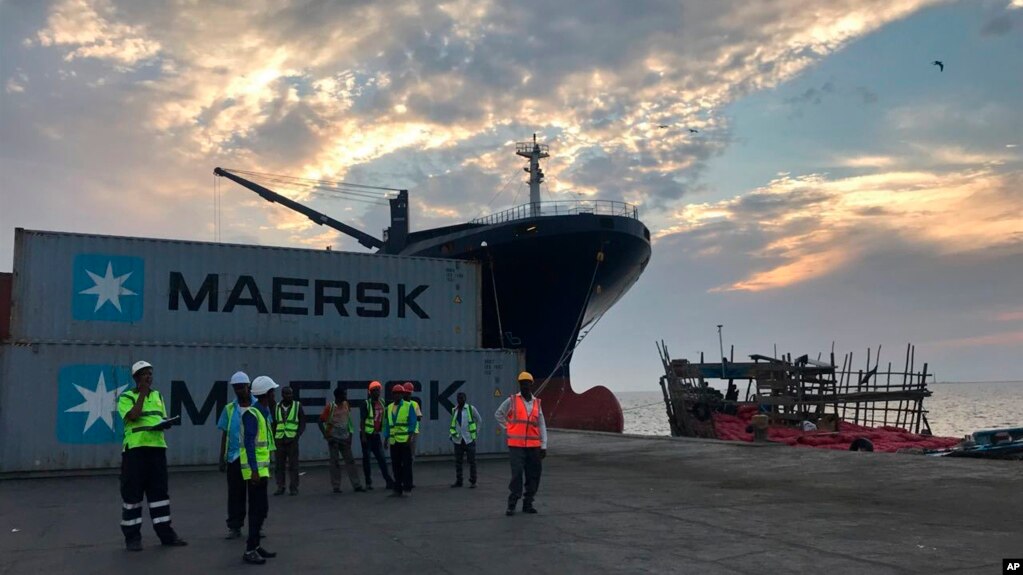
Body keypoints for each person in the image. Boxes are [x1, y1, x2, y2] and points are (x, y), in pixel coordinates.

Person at [116, 360, 187, 551]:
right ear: (136, 378)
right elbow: (133, 416)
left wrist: (166, 423)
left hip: (157, 449)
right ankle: (132, 538)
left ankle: (166, 535)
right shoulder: (126, 397)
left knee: (160, 495)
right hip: (135, 452)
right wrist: (142, 394)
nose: (148, 377)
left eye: (150, 373)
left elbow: (160, 418)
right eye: (144, 374)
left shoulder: (158, 396)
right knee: (133, 495)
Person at [239, 375, 279, 564]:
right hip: (255, 472)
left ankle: (255, 546)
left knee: (262, 509)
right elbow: (249, 443)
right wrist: (254, 470)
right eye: (273, 392)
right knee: (256, 510)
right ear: (267, 394)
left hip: (262, 470)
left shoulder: (262, 412)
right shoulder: (252, 414)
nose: (275, 395)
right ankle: (249, 550)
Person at [495, 371, 547, 516]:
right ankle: (512, 504)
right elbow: (498, 414)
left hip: (534, 447)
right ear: (519, 385)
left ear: (531, 384)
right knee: (517, 474)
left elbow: (541, 424)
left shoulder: (537, 403)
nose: (524, 386)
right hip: (516, 446)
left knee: (534, 475)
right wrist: (509, 427)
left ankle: (528, 503)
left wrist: (544, 445)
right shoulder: (512, 400)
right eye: (522, 383)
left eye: (527, 383)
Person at [218, 371, 254, 540]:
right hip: (234, 457)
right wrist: (222, 458)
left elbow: (266, 433)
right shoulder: (229, 409)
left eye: (242, 387)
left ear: (249, 387)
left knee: (255, 495)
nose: (239, 391)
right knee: (235, 495)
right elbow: (225, 433)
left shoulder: (258, 407)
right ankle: (235, 527)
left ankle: (256, 527)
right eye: (236, 388)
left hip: (254, 458)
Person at [319, 387, 365, 493]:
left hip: (345, 437)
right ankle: (336, 486)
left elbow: (348, 420)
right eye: (344, 395)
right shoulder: (330, 407)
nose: (345, 396)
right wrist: (327, 436)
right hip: (334, 438)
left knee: (351, 461)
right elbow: (320, 421)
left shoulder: (346, 405)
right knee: (335, 462)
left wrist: (350, 435)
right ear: (338, 396)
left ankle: (357, 485)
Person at [360, 380, 395, 491]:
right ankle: (368, 482)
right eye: (374, 390)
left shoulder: (383, 403)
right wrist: (364, 436)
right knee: (367, 459)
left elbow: (385, 421)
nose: (377, 392)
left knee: (382, 459)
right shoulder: (366, 404)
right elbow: (362, 420)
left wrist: (386, 438)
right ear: (370, 392)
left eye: (378, 390)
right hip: (367, 435)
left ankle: (388, 481)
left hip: (376, 435)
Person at [384, 383, 417, 497]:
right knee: (396, 465)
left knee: (407, 465)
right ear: (393, 395)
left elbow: (413, 422)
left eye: (400, 393)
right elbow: (387, 424)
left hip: (405, 441)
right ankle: (397, 488)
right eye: (395, 393)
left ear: (403, 395)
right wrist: (386, 438)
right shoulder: (389, 408)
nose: (398, 395)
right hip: (394, 442)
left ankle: (407, 488)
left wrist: (410, 437)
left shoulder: (408, 406)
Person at [272, 386, 306, 496]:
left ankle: (294, 488)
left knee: (293, 465)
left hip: (292, 439)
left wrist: (298, 434)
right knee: (279, 466)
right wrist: (273, 436)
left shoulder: (297, 406)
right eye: (287, 394)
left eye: (291, 394)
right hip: (279, 439)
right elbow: (274, 423)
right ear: (282, 395)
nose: (289, 396)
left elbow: (302, 422)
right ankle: (280, 487)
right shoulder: (276, 407)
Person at [450, 391, 481, 488]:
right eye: (459, 398)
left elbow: (479, 420)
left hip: (468, 439)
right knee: (458, 461)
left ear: (465, 399)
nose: (460, 400)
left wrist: (475, 434)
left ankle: (473, 481)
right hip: (458, 439)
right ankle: (459, 481)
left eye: (462, 398)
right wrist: (451, 435)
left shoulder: (471, 409)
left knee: (472, 461)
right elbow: (453, 423)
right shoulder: (454, 410)